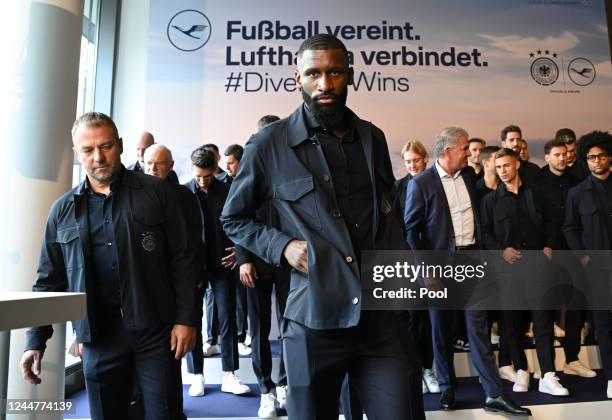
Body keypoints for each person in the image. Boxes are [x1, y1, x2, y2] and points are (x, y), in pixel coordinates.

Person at [221, 34, 424, 420]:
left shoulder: (373, 137)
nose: (325, 84)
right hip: (314, 319)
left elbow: (388, 212)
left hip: (381, 318)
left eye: (334, 72)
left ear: (350, 74)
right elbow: (234, 217)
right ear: (297, 78)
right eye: (314, 73)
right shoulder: (268, 144)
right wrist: (281, 247)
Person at [20, 112, 199, 420]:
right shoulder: (62, 210)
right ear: (77, 153)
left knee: (164, 414)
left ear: (120, 145)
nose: (98, 157)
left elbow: (184, 259)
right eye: (88, 150)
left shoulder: (157, 193)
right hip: (97, 338)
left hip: (156, 333)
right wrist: (35, 341)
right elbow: (49, 279)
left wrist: (187, 319)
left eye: (106, 146)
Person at [404, 127, 530, 416]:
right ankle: (448, 388)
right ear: (448, 151)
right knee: (441, 330)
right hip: (439, 268)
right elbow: (412, 230)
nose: (469, 154)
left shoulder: (470, 178)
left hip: (471, 262)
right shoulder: (422, 183)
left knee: (479, 329)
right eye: (464, 148)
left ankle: (494, 394)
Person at [480, 148, 570, 396]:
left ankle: (548, 374)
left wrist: (549, 245)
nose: (503, 171)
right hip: (508, 271)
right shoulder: (490, 201)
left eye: (507, 165)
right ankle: (521, 370)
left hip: (537, 267)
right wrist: (500, 251)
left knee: (542, 321)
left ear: (517, 164)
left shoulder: (536, 193)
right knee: (512, 323)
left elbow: (552, 221)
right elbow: (484, 233)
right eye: (498, 167)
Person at [143, 144, 210, 397]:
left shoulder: (184, 197)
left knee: (186, 332)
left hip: (179, 281)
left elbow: (194, 242)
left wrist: (198, 278)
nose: (152, 168)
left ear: (170, 165)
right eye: (148, 163)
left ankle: (195, 376)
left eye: (158, 163)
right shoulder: (131, 193)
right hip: (145, 286)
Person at [184, 146, 249, 395]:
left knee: (228, 318)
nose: (202, 181)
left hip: (223, 263)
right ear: (191, 169)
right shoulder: (182, 194)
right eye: (198, 176)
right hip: (193, 267)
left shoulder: (227, 189)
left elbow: (242, 223)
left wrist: (240, 252)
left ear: (215, 170)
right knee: (192, 318)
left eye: (207, 176)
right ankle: (196, 375)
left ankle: (229, 374)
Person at [540, 139, 595, 379]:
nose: (562, 158)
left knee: (576, 304)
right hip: (549, 253)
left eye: (564, 154)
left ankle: (572, 358)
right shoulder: (537, 183)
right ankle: (549, 369)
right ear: (547, 157)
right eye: (557, 155)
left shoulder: (578, 180)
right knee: (547, 307)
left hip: (573, 251)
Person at [564, 130, 612, 399]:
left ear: (609, 156)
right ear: (585, 160)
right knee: (603, 323)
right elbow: (570, 228)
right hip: (597, 267)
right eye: (591, 157)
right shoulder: (577, 193)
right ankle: (611, 376)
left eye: (601, 155)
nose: (596, 161)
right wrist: (582, 256)